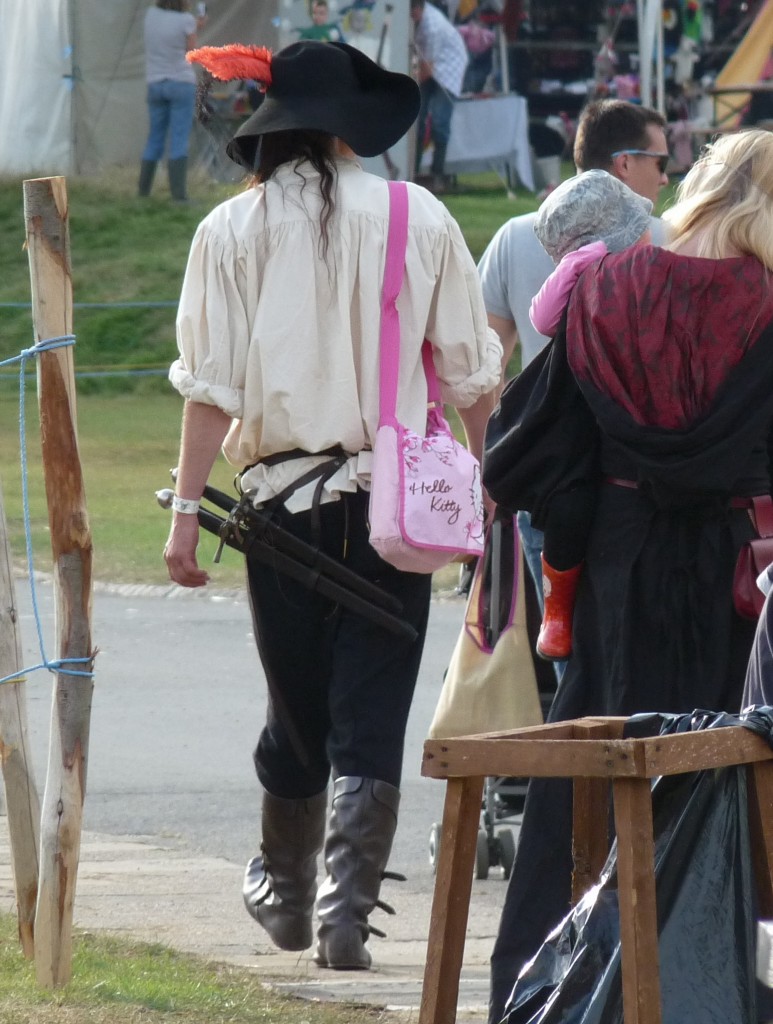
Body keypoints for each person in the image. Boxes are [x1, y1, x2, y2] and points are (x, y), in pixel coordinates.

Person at [163, 39, 502, 973]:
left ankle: (285, 887)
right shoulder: (416, 215)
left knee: (297, 707)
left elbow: (210, 390)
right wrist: (499, 492)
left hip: (276, 508)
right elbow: (472, 377)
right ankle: (342, 915)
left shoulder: (227, 232)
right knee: (373, 707)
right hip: (393, 506)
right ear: (350, 124)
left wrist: (186, 512)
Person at [483, 127, 773, 1024]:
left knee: (589, 772)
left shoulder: (600, 288)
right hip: (737, 574)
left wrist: (573, 543)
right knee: (741, 771)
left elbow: (528, 454)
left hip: (619, 564)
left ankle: (540, 991)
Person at [478, 99, 670, 621]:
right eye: (661, 162)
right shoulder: (670, 239)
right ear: (625, 162)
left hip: (549, 472)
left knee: (568, 654)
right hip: (639, 476)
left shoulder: (515, 236)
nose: (667, 178)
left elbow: (486, 366)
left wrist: (491, 464)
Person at [525, 169, 653, 660]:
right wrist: (586, 258)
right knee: (569, 503)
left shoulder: (646, 270)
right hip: (580, 423)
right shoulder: (588, 271)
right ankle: (557, 607)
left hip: (618, 424)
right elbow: (542, 318)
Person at [138, 0, 205, 202]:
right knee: (178, 138)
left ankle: (143, 193)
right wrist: (196, 26)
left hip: (155, 82)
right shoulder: (186, 20)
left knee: (154, 138)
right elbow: (191, 52)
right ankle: (179, 196)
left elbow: (169, 27)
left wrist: (194, 24)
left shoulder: (151, 15)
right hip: (180, 83)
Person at [410, 0, 469, 193]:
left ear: (418, 10)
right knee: (416, 119)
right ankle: (413, 170)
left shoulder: (432, 27)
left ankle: (437, 174)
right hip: (430, 66)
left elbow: (428, 68)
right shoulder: (418, 19)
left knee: (439, 122)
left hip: (447, 68)